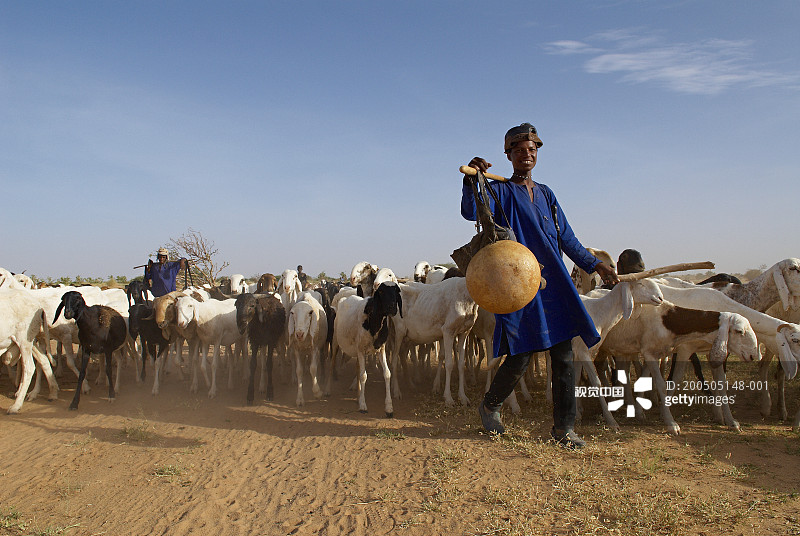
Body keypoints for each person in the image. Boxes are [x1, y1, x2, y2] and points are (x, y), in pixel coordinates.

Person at [462, 123, 618, 449]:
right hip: (520, 284)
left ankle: (564, 429)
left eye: (532, 149)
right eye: (519, 150)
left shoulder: (547, 194)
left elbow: (567, 238)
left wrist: (595, 264)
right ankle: (490, 405)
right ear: (509, 154)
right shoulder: (500, 190)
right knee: (521, 355)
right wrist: (472, 179)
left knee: (563, 357)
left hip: (554, 284)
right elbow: (469, 211)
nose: (527, 154)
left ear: (537, 153)